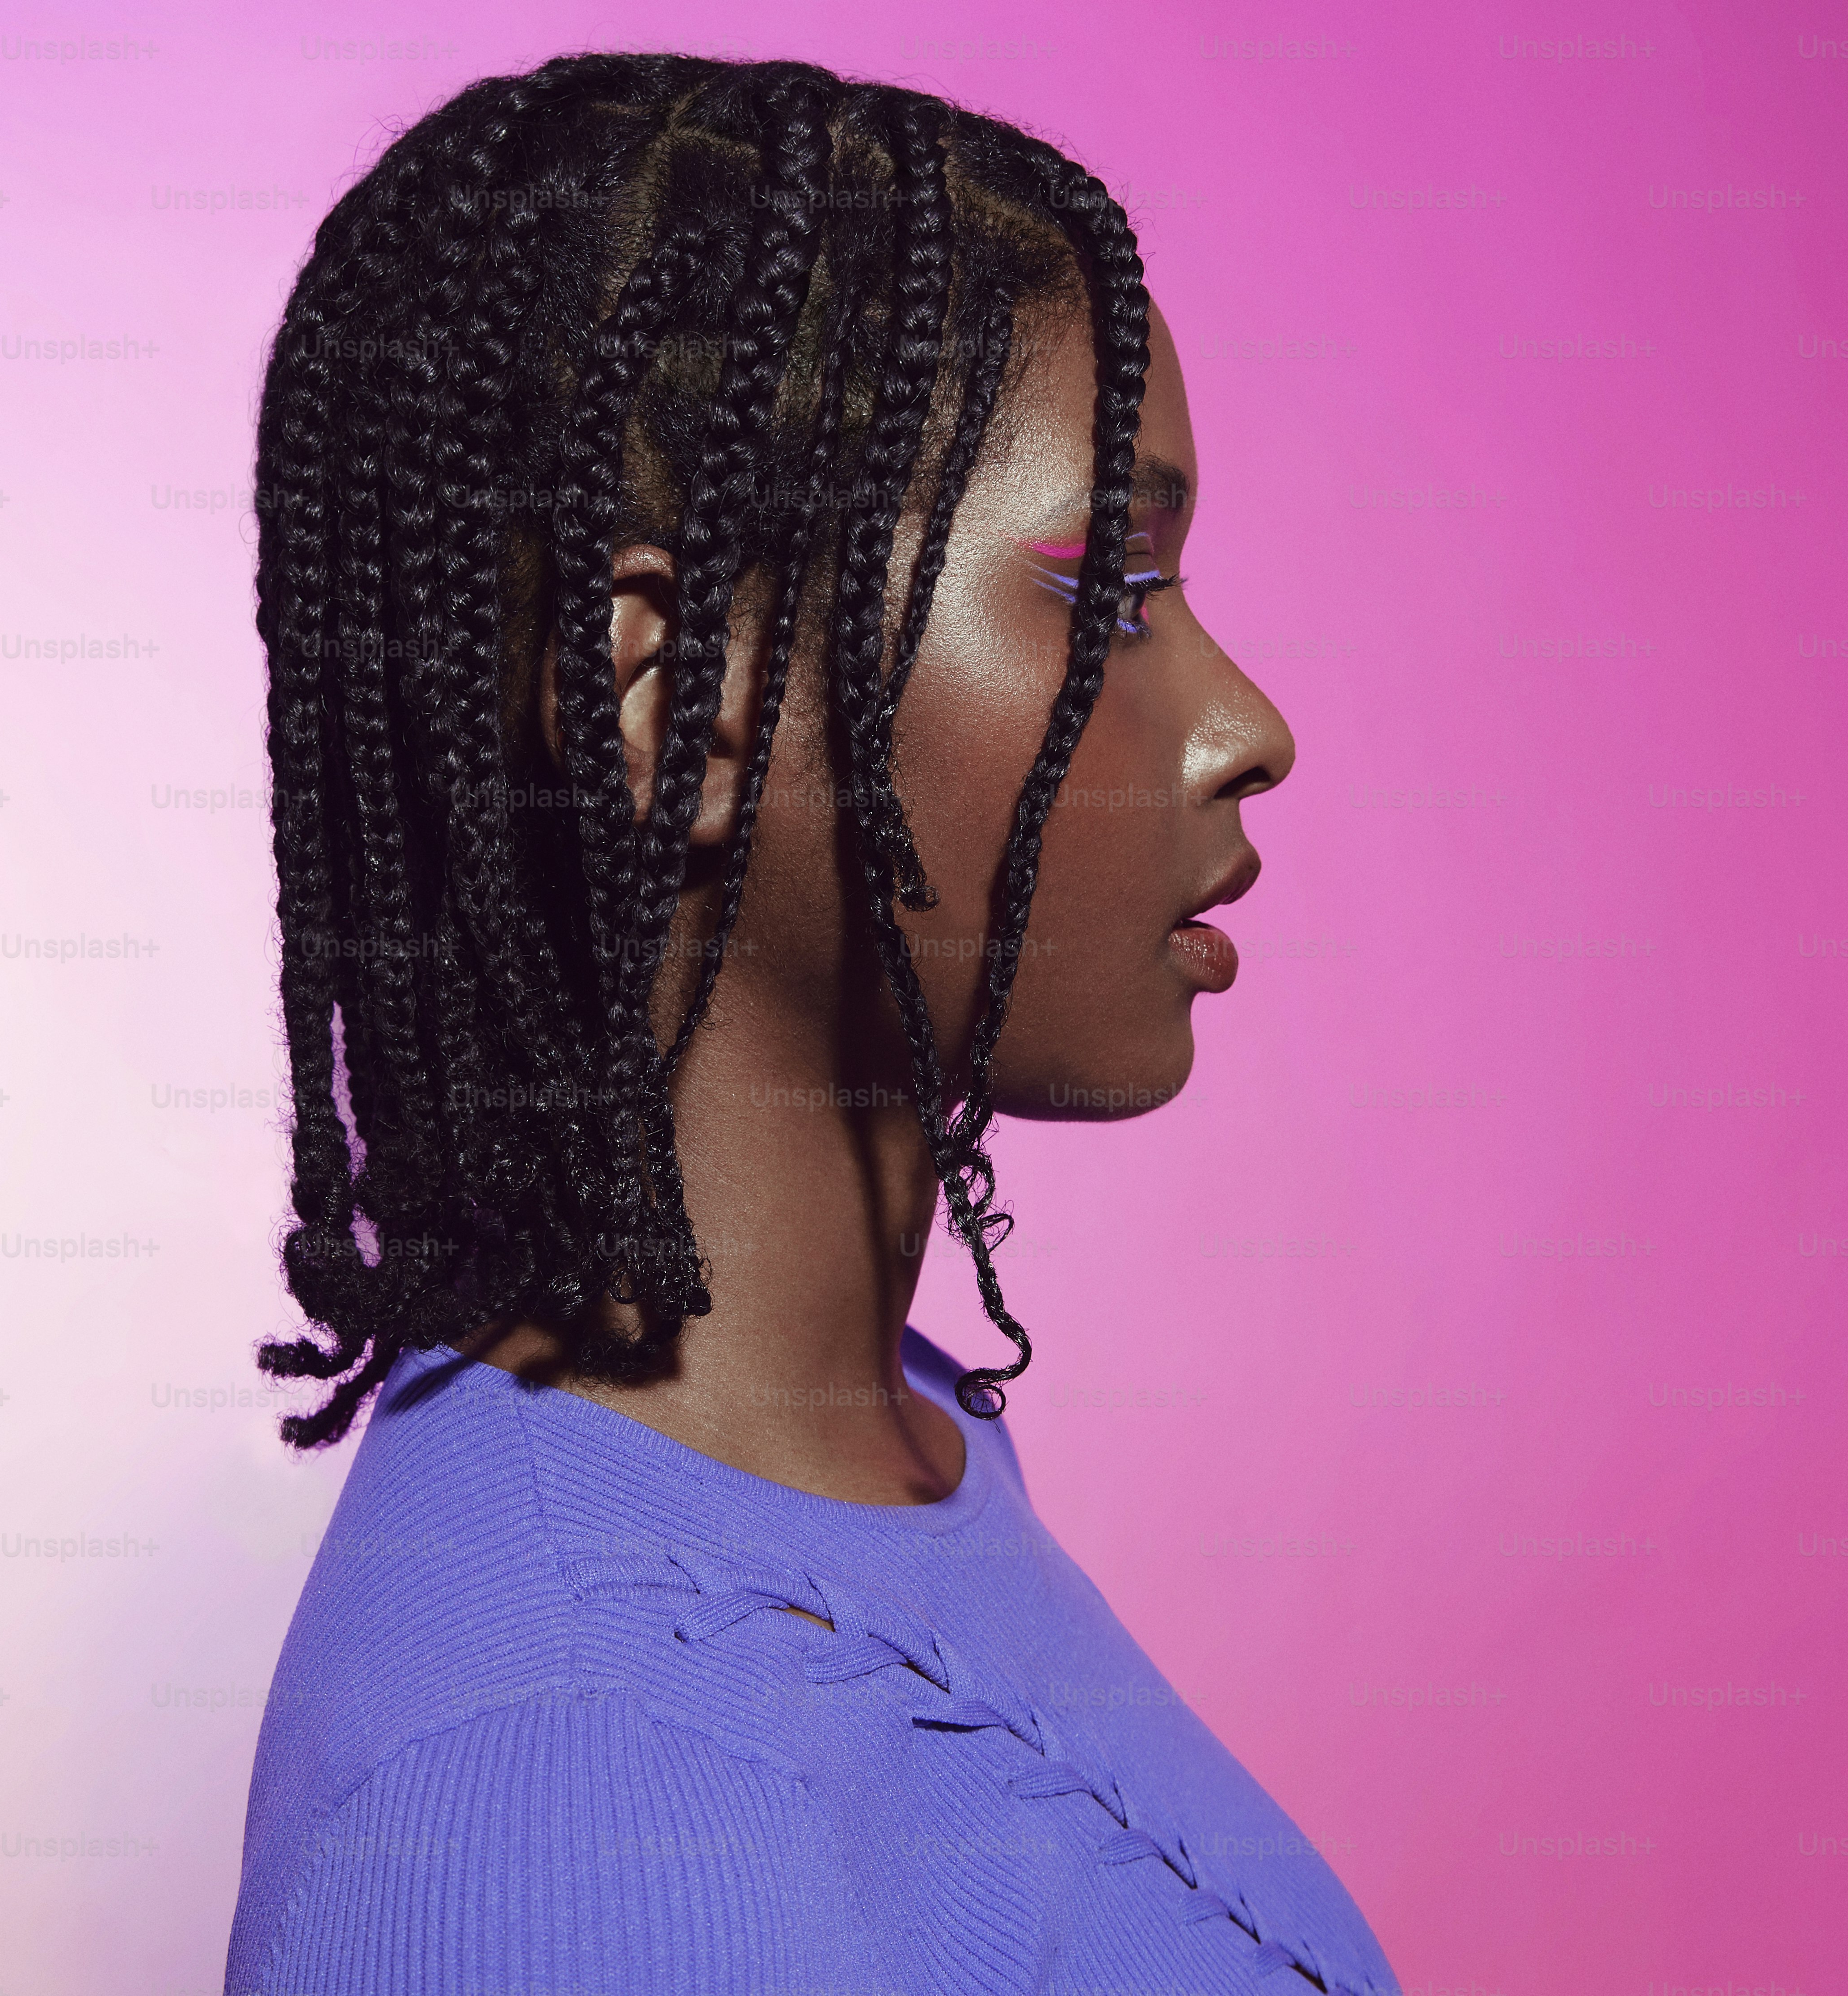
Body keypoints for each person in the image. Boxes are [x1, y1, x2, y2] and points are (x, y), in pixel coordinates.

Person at [225, 53, 1396, 1996]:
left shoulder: (888, 1444)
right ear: (664, 697)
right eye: (1101, 587)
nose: (1241, 721)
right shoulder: (554, 1813)